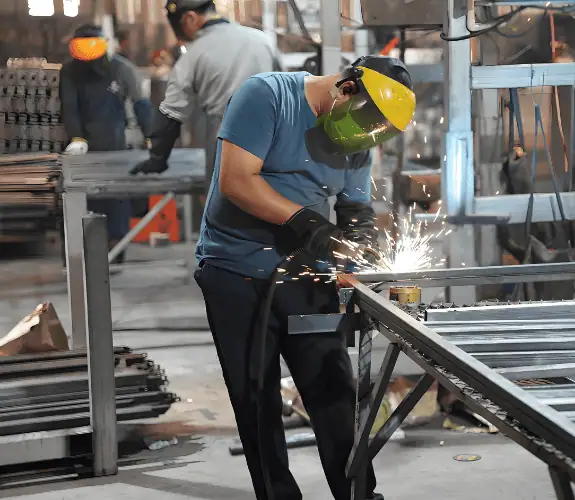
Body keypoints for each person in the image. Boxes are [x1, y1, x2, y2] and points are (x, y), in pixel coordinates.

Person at [193, 56, 415, 500]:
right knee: (257, 403)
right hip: (235, 272)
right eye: (369, 124)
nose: (366, 139)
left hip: (306, 277)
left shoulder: (358, 136)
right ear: (346, 89)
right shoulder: (267, 96)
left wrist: (359, 255)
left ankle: (358, 496)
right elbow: (237, 180)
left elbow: (355, 211)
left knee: (334, 393)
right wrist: (307, 224)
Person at [129, 0, 281, 191]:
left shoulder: (194, 55)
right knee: (273, 210)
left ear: (191, 18)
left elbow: (171, 114)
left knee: (227, 211)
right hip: (274, 142)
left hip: (227, 142)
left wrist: (158, 159)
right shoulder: (262, 40)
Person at [60, 24, 153, 262]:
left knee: (116, 198)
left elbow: (140, 104)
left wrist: (152, 136)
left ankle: (116, 245)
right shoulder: (69, 73)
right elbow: (69, 108)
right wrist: (77, 137)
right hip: (83, 151)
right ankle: (83, 252)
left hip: (115, 148)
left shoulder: (121, 70)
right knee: (85, 200)